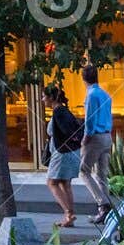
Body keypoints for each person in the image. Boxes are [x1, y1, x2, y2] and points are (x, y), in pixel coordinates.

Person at [42, 85, 84, 227]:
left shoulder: (58, 112)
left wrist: (61, 144)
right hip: (71, 151)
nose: (43, 100)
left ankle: (69, 214)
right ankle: (69, 216)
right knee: (65, 183)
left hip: (62, 153)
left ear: (51, 98)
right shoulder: (64, 111)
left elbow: (67, 131)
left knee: (51, 182)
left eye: (44, 96)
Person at [78, 64, 114, 224]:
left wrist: (86, 136)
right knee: (101, 175)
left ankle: (103, 203)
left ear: (83, 78)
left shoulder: (91, 95)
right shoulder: (105, 94)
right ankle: (105, 211)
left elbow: (90, 118)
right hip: (107, 136)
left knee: (83, 171)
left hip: (96, 137)